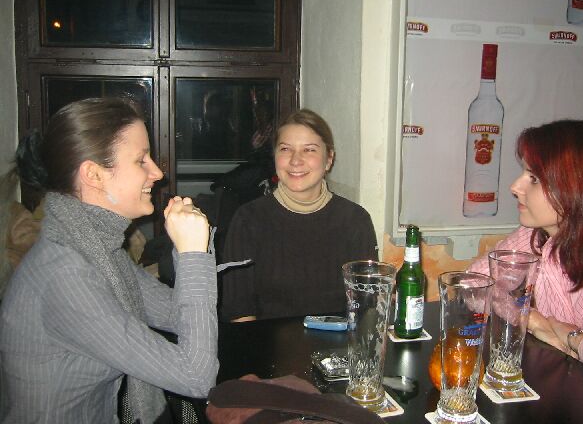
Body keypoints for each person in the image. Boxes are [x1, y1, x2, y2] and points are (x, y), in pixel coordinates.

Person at [0, 98, 219, 423]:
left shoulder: (97, 250)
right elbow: (196, 378)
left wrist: (189, 248)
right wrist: (192, 255)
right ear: (94, 175)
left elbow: (177, 314)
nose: (157, 173)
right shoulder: (66, 275)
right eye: (141, 160)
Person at [468, 119, 583, 402]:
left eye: (534, 178)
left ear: (580, 186)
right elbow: (473, 285)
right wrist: (532, 320)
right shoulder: (537, 235)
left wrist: (574, 338)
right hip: (570, 395)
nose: (515, 186)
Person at [219, 109, 378, 321]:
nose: (296, 160)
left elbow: (366, 305)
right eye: (285, 149)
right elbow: (240, 312)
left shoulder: (355, 220)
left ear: (329, 159)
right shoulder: (248, 220)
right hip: (266, 341)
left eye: (309, 150)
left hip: (339, 340)